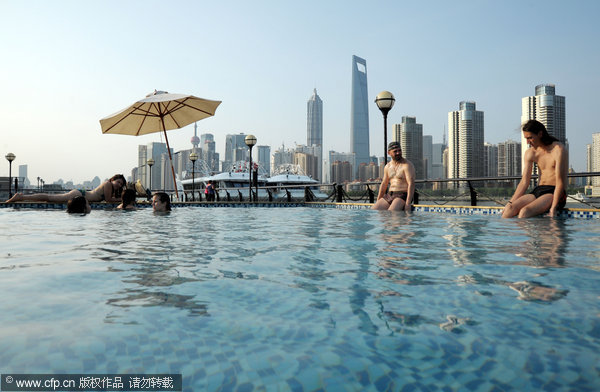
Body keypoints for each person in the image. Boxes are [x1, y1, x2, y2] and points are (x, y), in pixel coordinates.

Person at [502, 120, 568, 218]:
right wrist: (510, 202)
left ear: (540, 134)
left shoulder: (558, 149)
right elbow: (524, 182)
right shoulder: (531, 153)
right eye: (526, 138)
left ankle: (529, 233)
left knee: (524, 212)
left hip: (554, 192)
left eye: (530, 138)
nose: (527, 142)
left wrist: (553, 208)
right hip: (538, 190)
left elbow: (560, 182)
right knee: (509, 210)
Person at [6, 174, 126, 204]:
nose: (119, 185)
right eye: (118, 182)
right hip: (79, 195)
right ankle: (21, 197)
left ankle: (22, 197)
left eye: (121, 185)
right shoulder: (108, 184)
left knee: (50, 199)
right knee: (50, 198)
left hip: (81, 194)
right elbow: (109, 200)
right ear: (112, 180)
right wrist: (123, 199)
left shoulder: (109, 186)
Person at [372, 142, 416, 211]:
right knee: (374, 210)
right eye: (395, 151)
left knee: (391, 212)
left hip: (402, 195)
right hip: (390, 194)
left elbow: (411, 183)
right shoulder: (387, 166)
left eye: (399, 150)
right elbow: (384, 184)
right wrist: (378, 200)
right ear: (389, 153)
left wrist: (408, 203)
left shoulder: (407, 165)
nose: (398, 153)